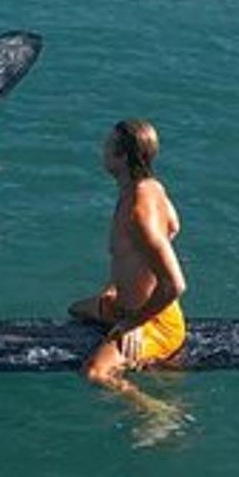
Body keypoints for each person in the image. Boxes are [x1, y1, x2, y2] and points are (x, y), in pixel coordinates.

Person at [70, 119, 189, 398]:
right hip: (125, 307)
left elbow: (175, 284)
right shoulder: (150, 187)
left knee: (94, 373)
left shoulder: (138, 213)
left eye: (108, 147)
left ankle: (157, 412)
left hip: (155, 322)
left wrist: (134, 322)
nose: (102, 151)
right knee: (76, 310)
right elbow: (173, 226)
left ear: (122, 157)